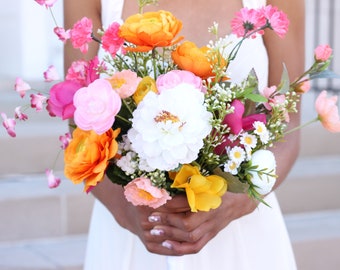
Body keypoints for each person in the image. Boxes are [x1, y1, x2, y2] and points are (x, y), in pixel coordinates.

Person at [63, 0, 305, 269]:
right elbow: (76, 122)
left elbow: (288, 126)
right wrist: (125, 210)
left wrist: (240, 200)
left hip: (241, 238)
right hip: (131, 238)